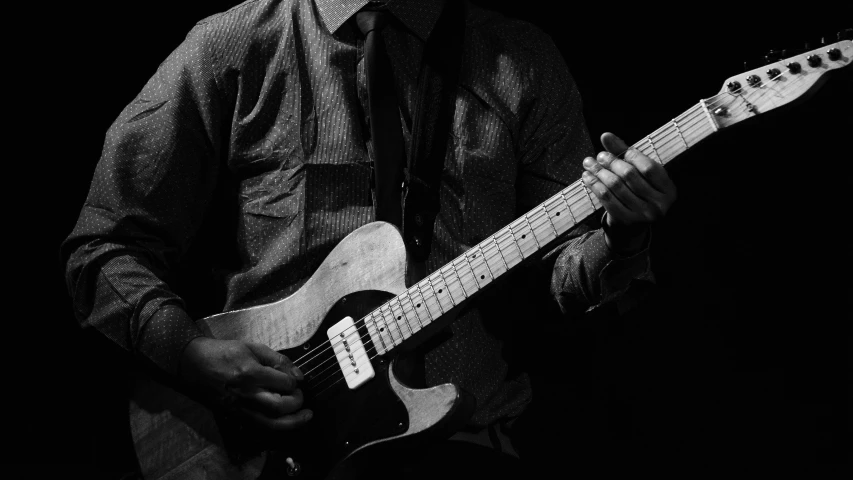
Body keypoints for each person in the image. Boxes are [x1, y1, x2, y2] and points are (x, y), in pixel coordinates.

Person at [61, 0, 677, 477]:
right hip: (263, 447)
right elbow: (104, 246)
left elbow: (566, 281)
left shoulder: (524, 61)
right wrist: (188, 354)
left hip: (462, 450)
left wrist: (623, 237)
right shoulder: (235, 44)